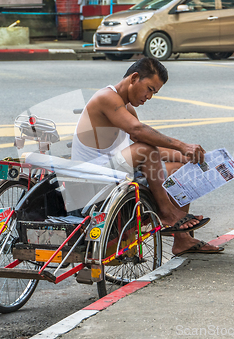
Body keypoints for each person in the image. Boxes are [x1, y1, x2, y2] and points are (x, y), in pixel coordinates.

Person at [71, 57, 223, 256]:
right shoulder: (105, 97)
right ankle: (166, 213)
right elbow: (139, 133)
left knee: (180, 168)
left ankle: (183, 240)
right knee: (146, 150)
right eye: (150, 89)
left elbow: (144, 145)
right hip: (92, 176)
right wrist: (181, 145)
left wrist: (185, 156)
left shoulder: (127, 108)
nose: (149, 97)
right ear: (134, 78)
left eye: (154, 92)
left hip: (115, 171)